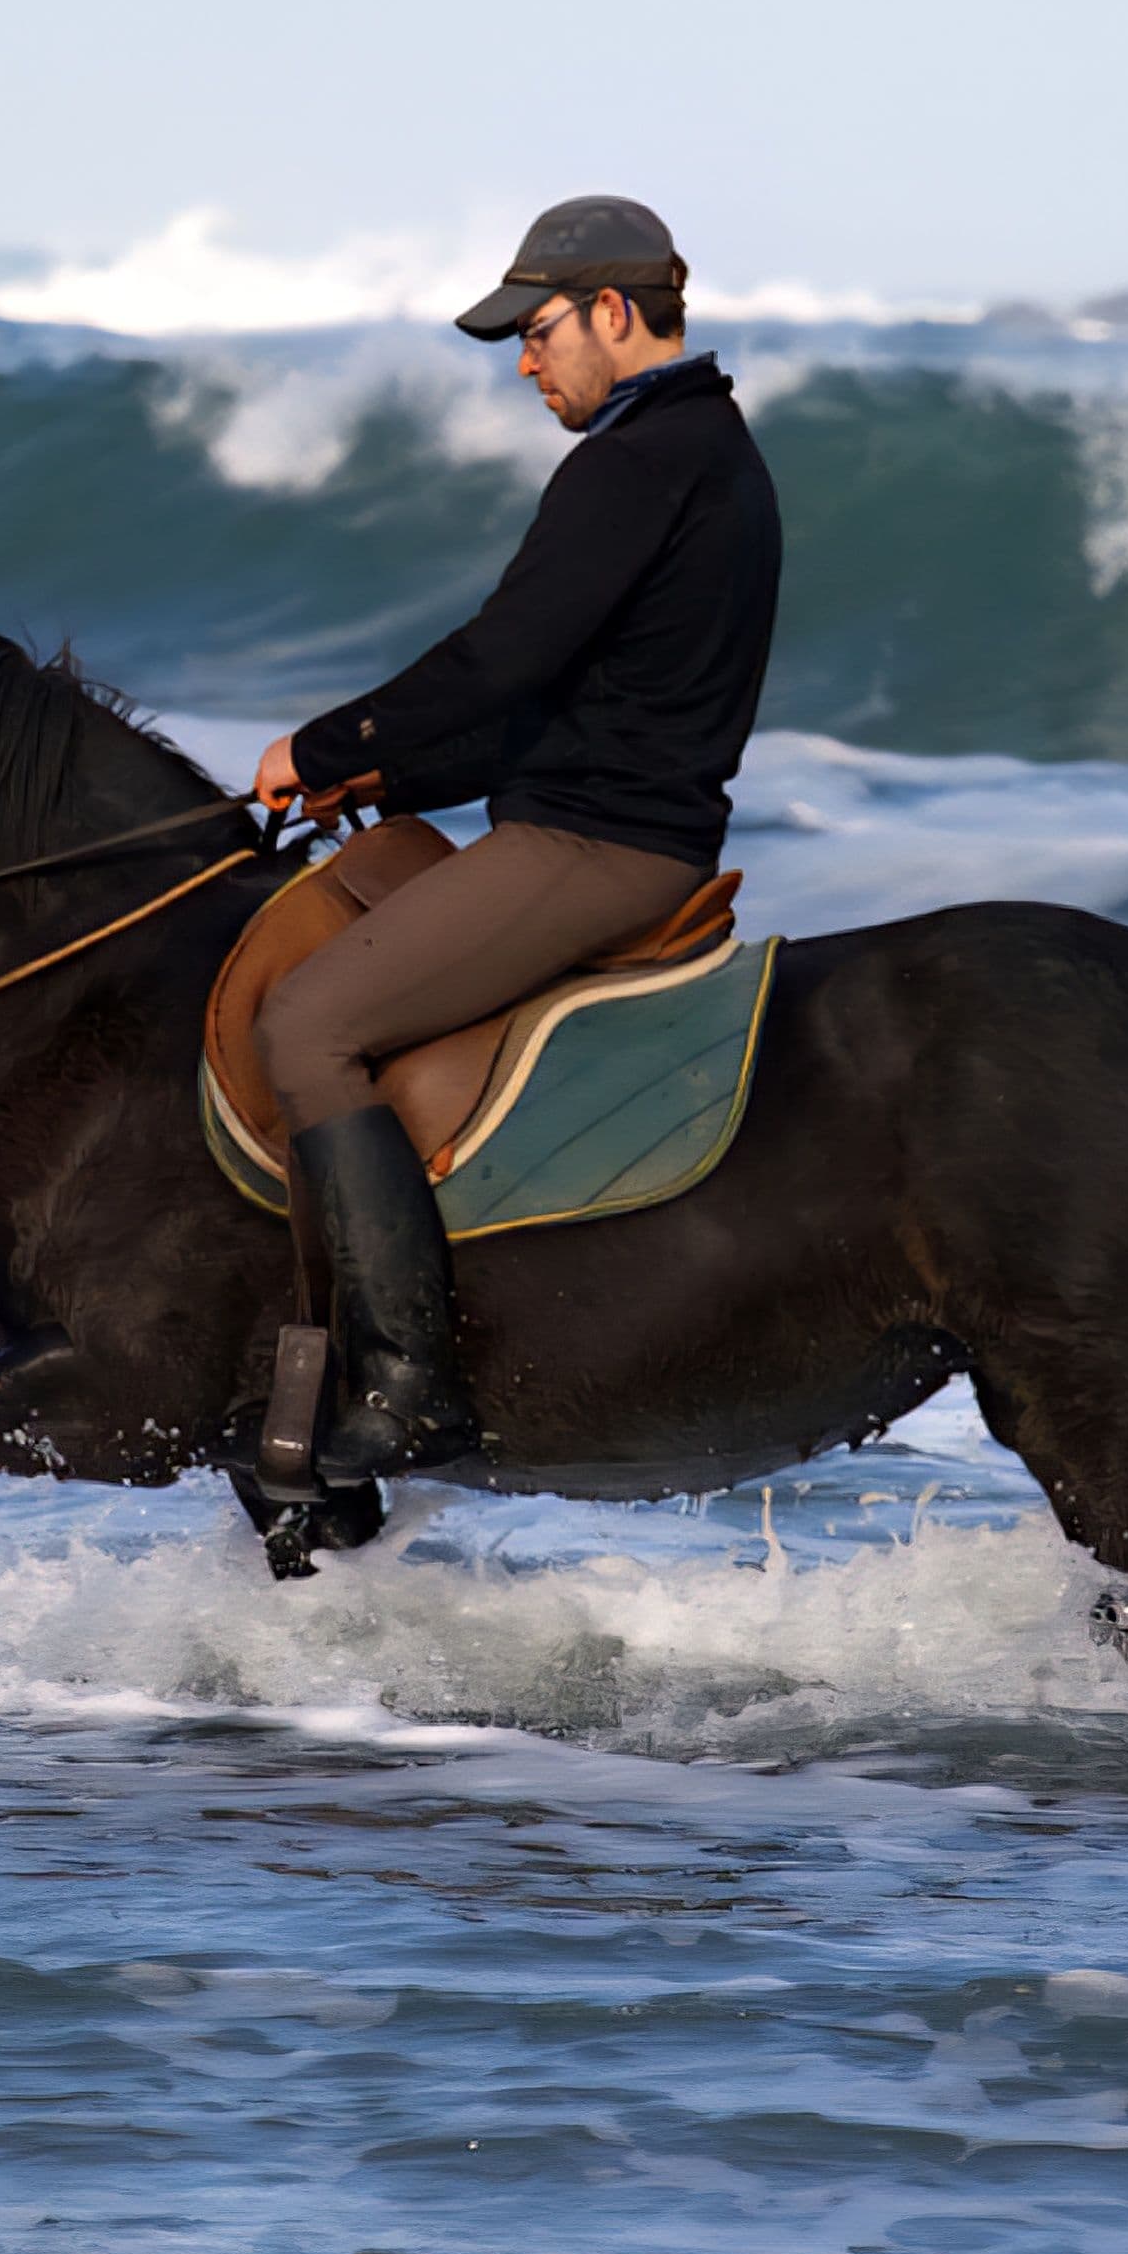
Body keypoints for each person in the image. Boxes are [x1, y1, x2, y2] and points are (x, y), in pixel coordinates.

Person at [248, 193, 783, 1485]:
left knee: (305, 1028)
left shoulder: (638, 459)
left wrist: (319, 747)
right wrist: (386, 773)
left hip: (600, 846)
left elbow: (503, 658)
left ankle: (405, 1380)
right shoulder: (694, 446)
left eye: (535, 332)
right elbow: (551, 703)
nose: (525, 363)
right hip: (591, 809)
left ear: (613, 311)